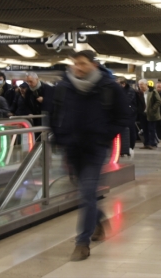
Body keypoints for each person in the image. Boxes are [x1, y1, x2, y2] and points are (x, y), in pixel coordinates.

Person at [50, 51, 128, 261]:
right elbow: (54, 114)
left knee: (87, 193)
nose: (78, 67)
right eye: (75, 63)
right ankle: (99, 221)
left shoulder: (108, 87)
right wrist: (59, 138)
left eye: (82, 63)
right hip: (72, 149)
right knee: (85, 193)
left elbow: (123, 116)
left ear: (94, 64)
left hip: (95, 148)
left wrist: (103, 135)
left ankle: (82, 243)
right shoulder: (64, 87)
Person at [138, 79, 161, 149]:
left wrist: (153, 109)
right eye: (139, 85)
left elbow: (158, 101)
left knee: (151, 129)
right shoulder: (139, 93)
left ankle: (152, 143)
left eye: (142, 85)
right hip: (143, 114)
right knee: (145, 129)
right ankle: (146, 143)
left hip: (151, 114)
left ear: (146, 84)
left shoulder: (153, 91)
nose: (141, 86)